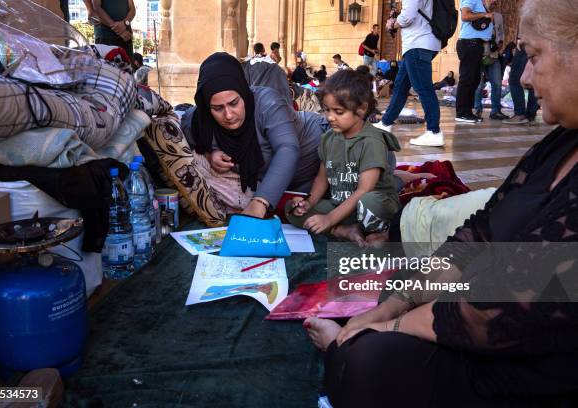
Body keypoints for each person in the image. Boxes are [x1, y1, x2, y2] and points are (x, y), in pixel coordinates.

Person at [304, 0, 578, 405]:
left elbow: (503, 306)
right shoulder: (559, 144)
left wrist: (392, 325)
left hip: (530, 360)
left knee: (368, 362)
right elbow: (479, 231)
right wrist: (397, 304)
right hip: (478, 310)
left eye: (533, 56)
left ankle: (344, 349)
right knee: (395, 283)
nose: (523, 76)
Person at [180, 53, 329, 218]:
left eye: (234, 103)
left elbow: (287, 149)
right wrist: (210, 153)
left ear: (243, 93)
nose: (228, 115)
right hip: (278, 186)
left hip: (315, 158)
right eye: (218, 108)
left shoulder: (267, 102)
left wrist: (260, 202)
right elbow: (190, 140)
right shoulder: (196, 120)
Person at [286, 70, 400, 246]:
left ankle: (380, 231)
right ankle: (344, 231)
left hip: (370, 206)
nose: (330, 117)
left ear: (361, 109)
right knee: (291, 210)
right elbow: (322, 179)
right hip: (341, 206)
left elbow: (364, 190)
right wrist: (308, 203)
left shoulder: (371, 141)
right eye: (327, 110)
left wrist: (330, 219)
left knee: (369, 202)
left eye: (338, 111)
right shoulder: (328, 138)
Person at [373, 0, 444, 147]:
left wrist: (392, 24)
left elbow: (408, 16)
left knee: (423, 88)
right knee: (400, 86)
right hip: (421, 43)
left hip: (418, 43)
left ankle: (434, 132)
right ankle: (385, 123)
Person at [455, 0, 495, 123]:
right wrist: (484, 15)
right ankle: (461, 113)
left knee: (475, 79)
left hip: (477, 44)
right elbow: (465, 16)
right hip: (469, 43)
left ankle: (467, 112)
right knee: (467, 78)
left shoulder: (481, 3)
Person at [474, 5, 509, 120]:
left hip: (494, 55)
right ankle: (477, 109)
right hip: (480, 54)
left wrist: (499, 46)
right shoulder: (476, 12)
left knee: (497, 84)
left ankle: (496, 111)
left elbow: (501, 32)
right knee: (478, 85)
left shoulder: (498, 16)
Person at [503, 32, 539, 125]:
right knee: (533, 79)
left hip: (528, 41)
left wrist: (522, 39)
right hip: (540, 41)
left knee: (514, 80)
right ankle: (531, 116)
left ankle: (520, 115)